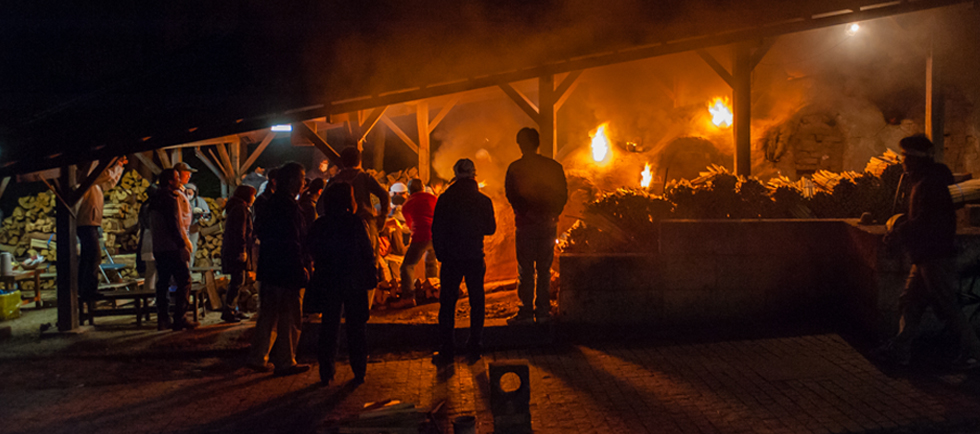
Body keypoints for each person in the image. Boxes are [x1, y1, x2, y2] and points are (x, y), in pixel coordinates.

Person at [877, 135, 980, 369]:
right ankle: (900, 350)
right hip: (924, 255)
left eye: (905, 156)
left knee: (948, 307)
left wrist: (900, 232)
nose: (902, 161)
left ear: (915, 158)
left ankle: (975, 352)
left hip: (935, 256)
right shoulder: (926, 180)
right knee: (910, 303)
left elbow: (926, 220)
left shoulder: (930, 184)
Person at [307, 182, 377, 385]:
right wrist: (371, 274)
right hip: (354, 280)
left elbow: (310, 248)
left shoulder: (321, 224)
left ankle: (326, 372)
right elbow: (366, 251)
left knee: (329, 326)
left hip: (328, 280)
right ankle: (359, 370)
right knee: (356, 327)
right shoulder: (355, 223)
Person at [248, 162, 311, 376]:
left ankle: (259, 357)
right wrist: (300, 265)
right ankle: (286, 360)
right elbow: (293, 240)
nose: (304, 183)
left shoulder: (270, 203)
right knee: (290, 316)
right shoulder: (289, 206)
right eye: (302, 178)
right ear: (292, 181)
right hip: (287, 268)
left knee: (268, 315)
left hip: (269, 267)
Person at [431, 159, 496, 363]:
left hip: (451, 258)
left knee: (447, 303)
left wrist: (441, 254)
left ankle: (447, 349)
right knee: (477, 301)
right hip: (474, 256)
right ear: (474, 175)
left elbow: (436, 229)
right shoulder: (483, 200)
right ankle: (475, 346)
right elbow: (490, 229)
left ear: (456, 174)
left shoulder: (445, 199)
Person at [505, 128, 568, 325]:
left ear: (520, 144)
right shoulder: (553, 167)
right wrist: (553, 213)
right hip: (547, 224)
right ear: (537, 143)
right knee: (544, 269)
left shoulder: (515, 168)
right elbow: (562, 193)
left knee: (525, 270)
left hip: (525, 225)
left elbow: (511, 194)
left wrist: (526, 213)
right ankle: (543, 312)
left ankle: (526, 312)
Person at [149, 168, 197, 331]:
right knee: (184, 280)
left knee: (163, 282)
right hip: (171, 247)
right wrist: (182, 245)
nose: (179, 180)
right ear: (170, 181)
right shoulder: (169, 199)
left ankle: (163, 318)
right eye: (177, 178)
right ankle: (180, 318)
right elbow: (173, 224)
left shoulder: (154, 199)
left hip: (159, 247)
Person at [319, 147, 389, 257]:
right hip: (365, 223)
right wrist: (382, 216)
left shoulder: (334, 180)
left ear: (342, 162)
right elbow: (384, 195)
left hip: (339, 228)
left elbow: (320, 206)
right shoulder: (365, 177)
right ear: (360, 161)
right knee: (369, 259)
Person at [75, 156, 126, 301]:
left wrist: (119, 167)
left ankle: (83, 289)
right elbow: (106, 175)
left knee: (88, 256)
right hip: (86, 223)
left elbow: (110, 183)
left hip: (91, 222)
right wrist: (117, 166)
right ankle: (89, 290)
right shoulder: (87, 179)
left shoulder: (95, 183)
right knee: (93, 256)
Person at [391, 178, 438, 309]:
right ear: (423, 188)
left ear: (409, 191)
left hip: (420, 236)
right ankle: (433, 291)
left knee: (407, 267)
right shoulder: (433, 198)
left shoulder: (407, 204)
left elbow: (409, 224)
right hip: (436, 235)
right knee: (431, 262)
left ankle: (408, 297)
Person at [220, 184, 256, 323]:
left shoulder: (238, 208)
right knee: (237, 280)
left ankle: (233, 309)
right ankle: (228, 311)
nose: (254, 198)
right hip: (236, 251)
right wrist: (242, 250)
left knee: (238, 280)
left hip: (233, 249)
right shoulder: (240, 209)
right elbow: (240, 231)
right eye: (252, 195)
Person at [184, 182, 211, 267]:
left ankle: (189, 269)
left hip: (192, 230)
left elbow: (207, 216)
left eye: (190, 193)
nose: (188, 195)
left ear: (194, 193)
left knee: (191, 251)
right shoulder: (179, 200)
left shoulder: (199, 202)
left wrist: (199, 215)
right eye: (186, 192)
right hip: (180, 230)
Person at [173, 162, 196, 265]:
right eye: (186, 173)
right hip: (180, 235)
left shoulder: (182, 191)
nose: (189, 176)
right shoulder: (176, 193)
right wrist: (185, 239)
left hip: (185, 232)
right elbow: (179, 217)